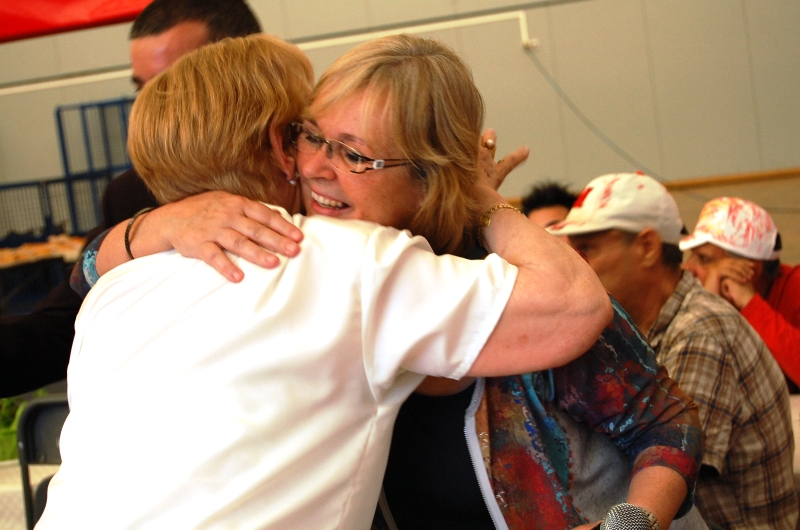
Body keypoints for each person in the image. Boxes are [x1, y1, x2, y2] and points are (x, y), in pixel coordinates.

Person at [78, 36, 704, 530]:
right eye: (310, 136)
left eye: (356, 155)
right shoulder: (299, 260)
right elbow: (87, 272)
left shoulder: (505, 287)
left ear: (431, 177)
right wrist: (162, 222)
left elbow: (669, 426)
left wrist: (628, 525)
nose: (318, 168)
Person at [0, 0, 262, 398]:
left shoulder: (327, 180)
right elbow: (56, 331)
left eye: (173, 85)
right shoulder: (133, 195)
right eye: (142, 88)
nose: (146, 108)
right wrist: (141, 231)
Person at [550, 173, 798, 530]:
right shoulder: (648, 324)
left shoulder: (701, 332)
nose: (576, 262)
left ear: (648, 247)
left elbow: (670, 464)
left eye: (588, 248)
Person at [680, 197, 800, 392]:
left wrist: (750, 303)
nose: (688, 267)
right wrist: (708, 304)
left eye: (704, 258)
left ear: (751, 272)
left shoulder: (795, 287)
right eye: (692, 255)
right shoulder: (697, 293)